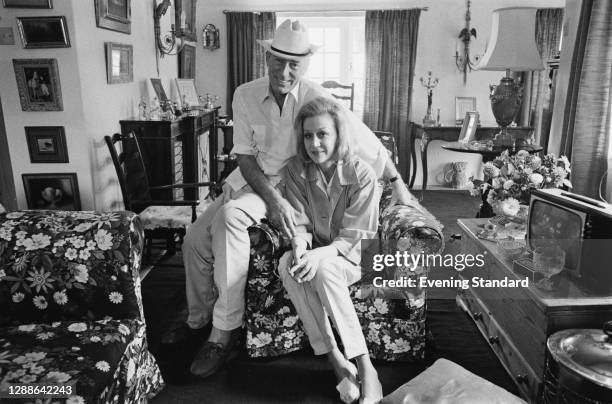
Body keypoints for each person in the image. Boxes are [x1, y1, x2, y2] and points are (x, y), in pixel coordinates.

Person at [165, 19, 412, 379]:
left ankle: (223, 332)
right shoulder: (244, 94)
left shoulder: (316, 97)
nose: (285, 70)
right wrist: (269, 199)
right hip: (250, 182)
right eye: (278, 61)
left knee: (231, 217)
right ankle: (198, 320)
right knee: (193, 242)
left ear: (306, 64)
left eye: (294, 63)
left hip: (290, 185)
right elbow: (244, 157)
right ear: (266, 57)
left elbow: (362, 139)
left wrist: (396, 180)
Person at [278, 96, 383, 403]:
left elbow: (357, 236)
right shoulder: (294, 170)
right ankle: (335, 358)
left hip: (354, 256)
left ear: (338, 135)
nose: (315, 143)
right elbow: (298, 222)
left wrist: (319, 255)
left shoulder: (362, 174)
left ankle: (365, 367)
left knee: (323, 268)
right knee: (288, 265)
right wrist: (299, 246)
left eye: (322, 134)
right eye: (308, 135)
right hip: (318, 252)